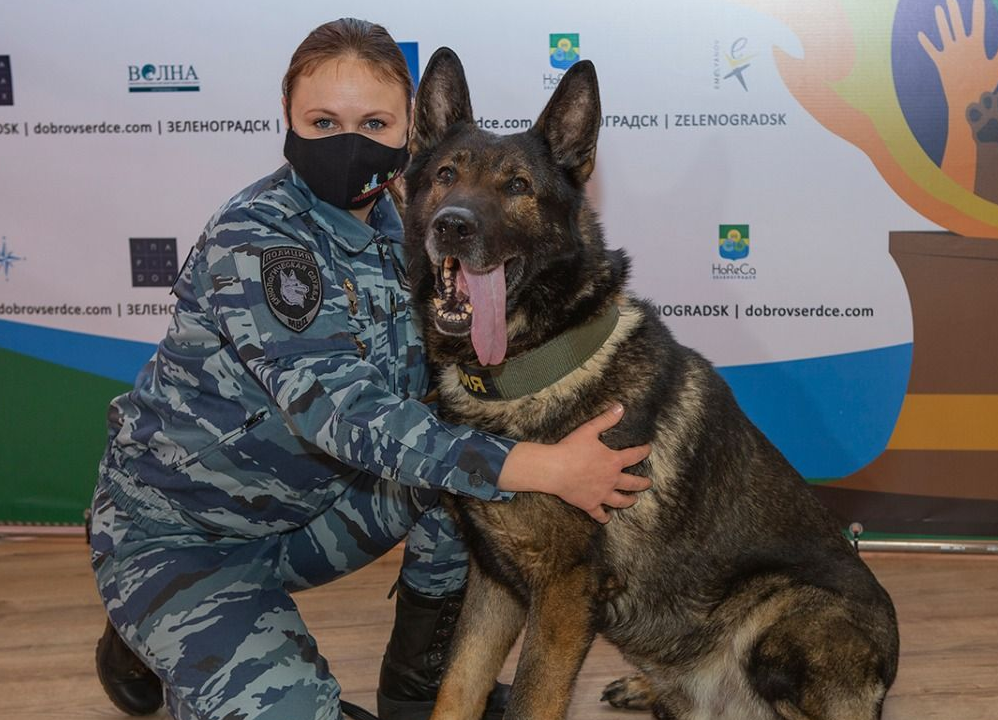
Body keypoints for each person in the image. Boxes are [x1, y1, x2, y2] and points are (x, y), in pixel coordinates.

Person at [89, 17, 651, 720]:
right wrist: (547, 467)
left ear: (406, 132)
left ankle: (418, 686)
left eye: (374, 121)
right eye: (322, 120)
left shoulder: (421, 217)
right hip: (190, 535)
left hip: (316, 511)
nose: (348, 142)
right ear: (288, 119)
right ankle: (148, 626)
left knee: (464, 483)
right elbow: (340, 414)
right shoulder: (259, 238)